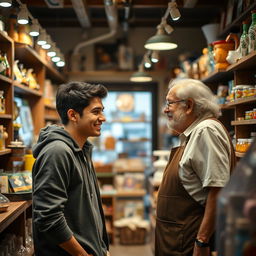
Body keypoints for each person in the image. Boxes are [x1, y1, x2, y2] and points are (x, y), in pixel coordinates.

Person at [155, 79, 236, 256]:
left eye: (170, 103)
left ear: (189, 105)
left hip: (189, 243)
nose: (165, 109)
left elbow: (218, 189)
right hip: (178, 240)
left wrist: (202, 241)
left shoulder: (205, 130)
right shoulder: (192, 133)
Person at [32, 81, 109, 256]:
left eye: (102, 111)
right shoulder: (57, 152)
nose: (103, 118)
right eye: (96, 112)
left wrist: (102, 248)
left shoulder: (82, 149)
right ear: (73, 115)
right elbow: (48, 217)